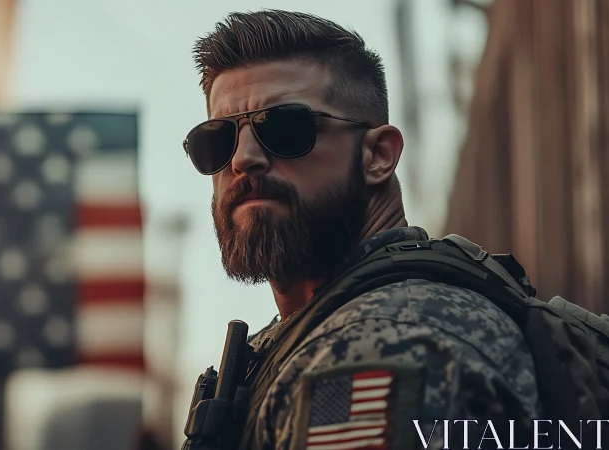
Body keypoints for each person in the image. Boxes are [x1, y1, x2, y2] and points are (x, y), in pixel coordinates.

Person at [183, 9, 539, 449]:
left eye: (286, 127)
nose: (243, 159)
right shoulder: (311, 335)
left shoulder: (383, 344)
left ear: (378, 156)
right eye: (218, 140)